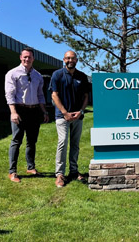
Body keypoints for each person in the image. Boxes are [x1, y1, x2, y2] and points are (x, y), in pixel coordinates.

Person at [5, 47, 49, 183]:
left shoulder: (38, 75)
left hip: (34, 111)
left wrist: (44, 111)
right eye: (24, 57)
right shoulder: (12, 74)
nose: (27, 59)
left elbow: (40, 95)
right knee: (16, 141)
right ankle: (12, 172)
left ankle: (31, 167)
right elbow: (10, 94)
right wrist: (13, 112)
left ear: (33, 59)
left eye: (29, 57)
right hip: (20, 110)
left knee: (32, 141)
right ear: (20, 57)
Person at [50, 50, 89, 188]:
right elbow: (54, 95)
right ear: (63, 59)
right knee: (63, 143)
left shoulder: (82, 76)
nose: (70, 60)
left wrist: (81, 111)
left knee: (75, 144)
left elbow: (86, 96)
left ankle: (73, 171)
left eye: (72, 58)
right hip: (62, 116)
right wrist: (65, 112)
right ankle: (60, 174)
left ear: (76, 60)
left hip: (78, 116)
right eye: (67, 58)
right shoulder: (57, 75)